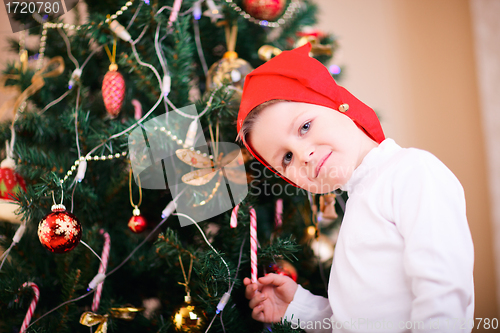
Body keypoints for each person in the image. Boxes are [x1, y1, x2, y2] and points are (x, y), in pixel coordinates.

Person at [236, 43, 474, 333]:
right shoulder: (359, 199)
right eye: (286, 158)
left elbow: (443, 296)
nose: (302, 155)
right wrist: (298, 306)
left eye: (305, 127)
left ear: (337, 104)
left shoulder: (411, 171)